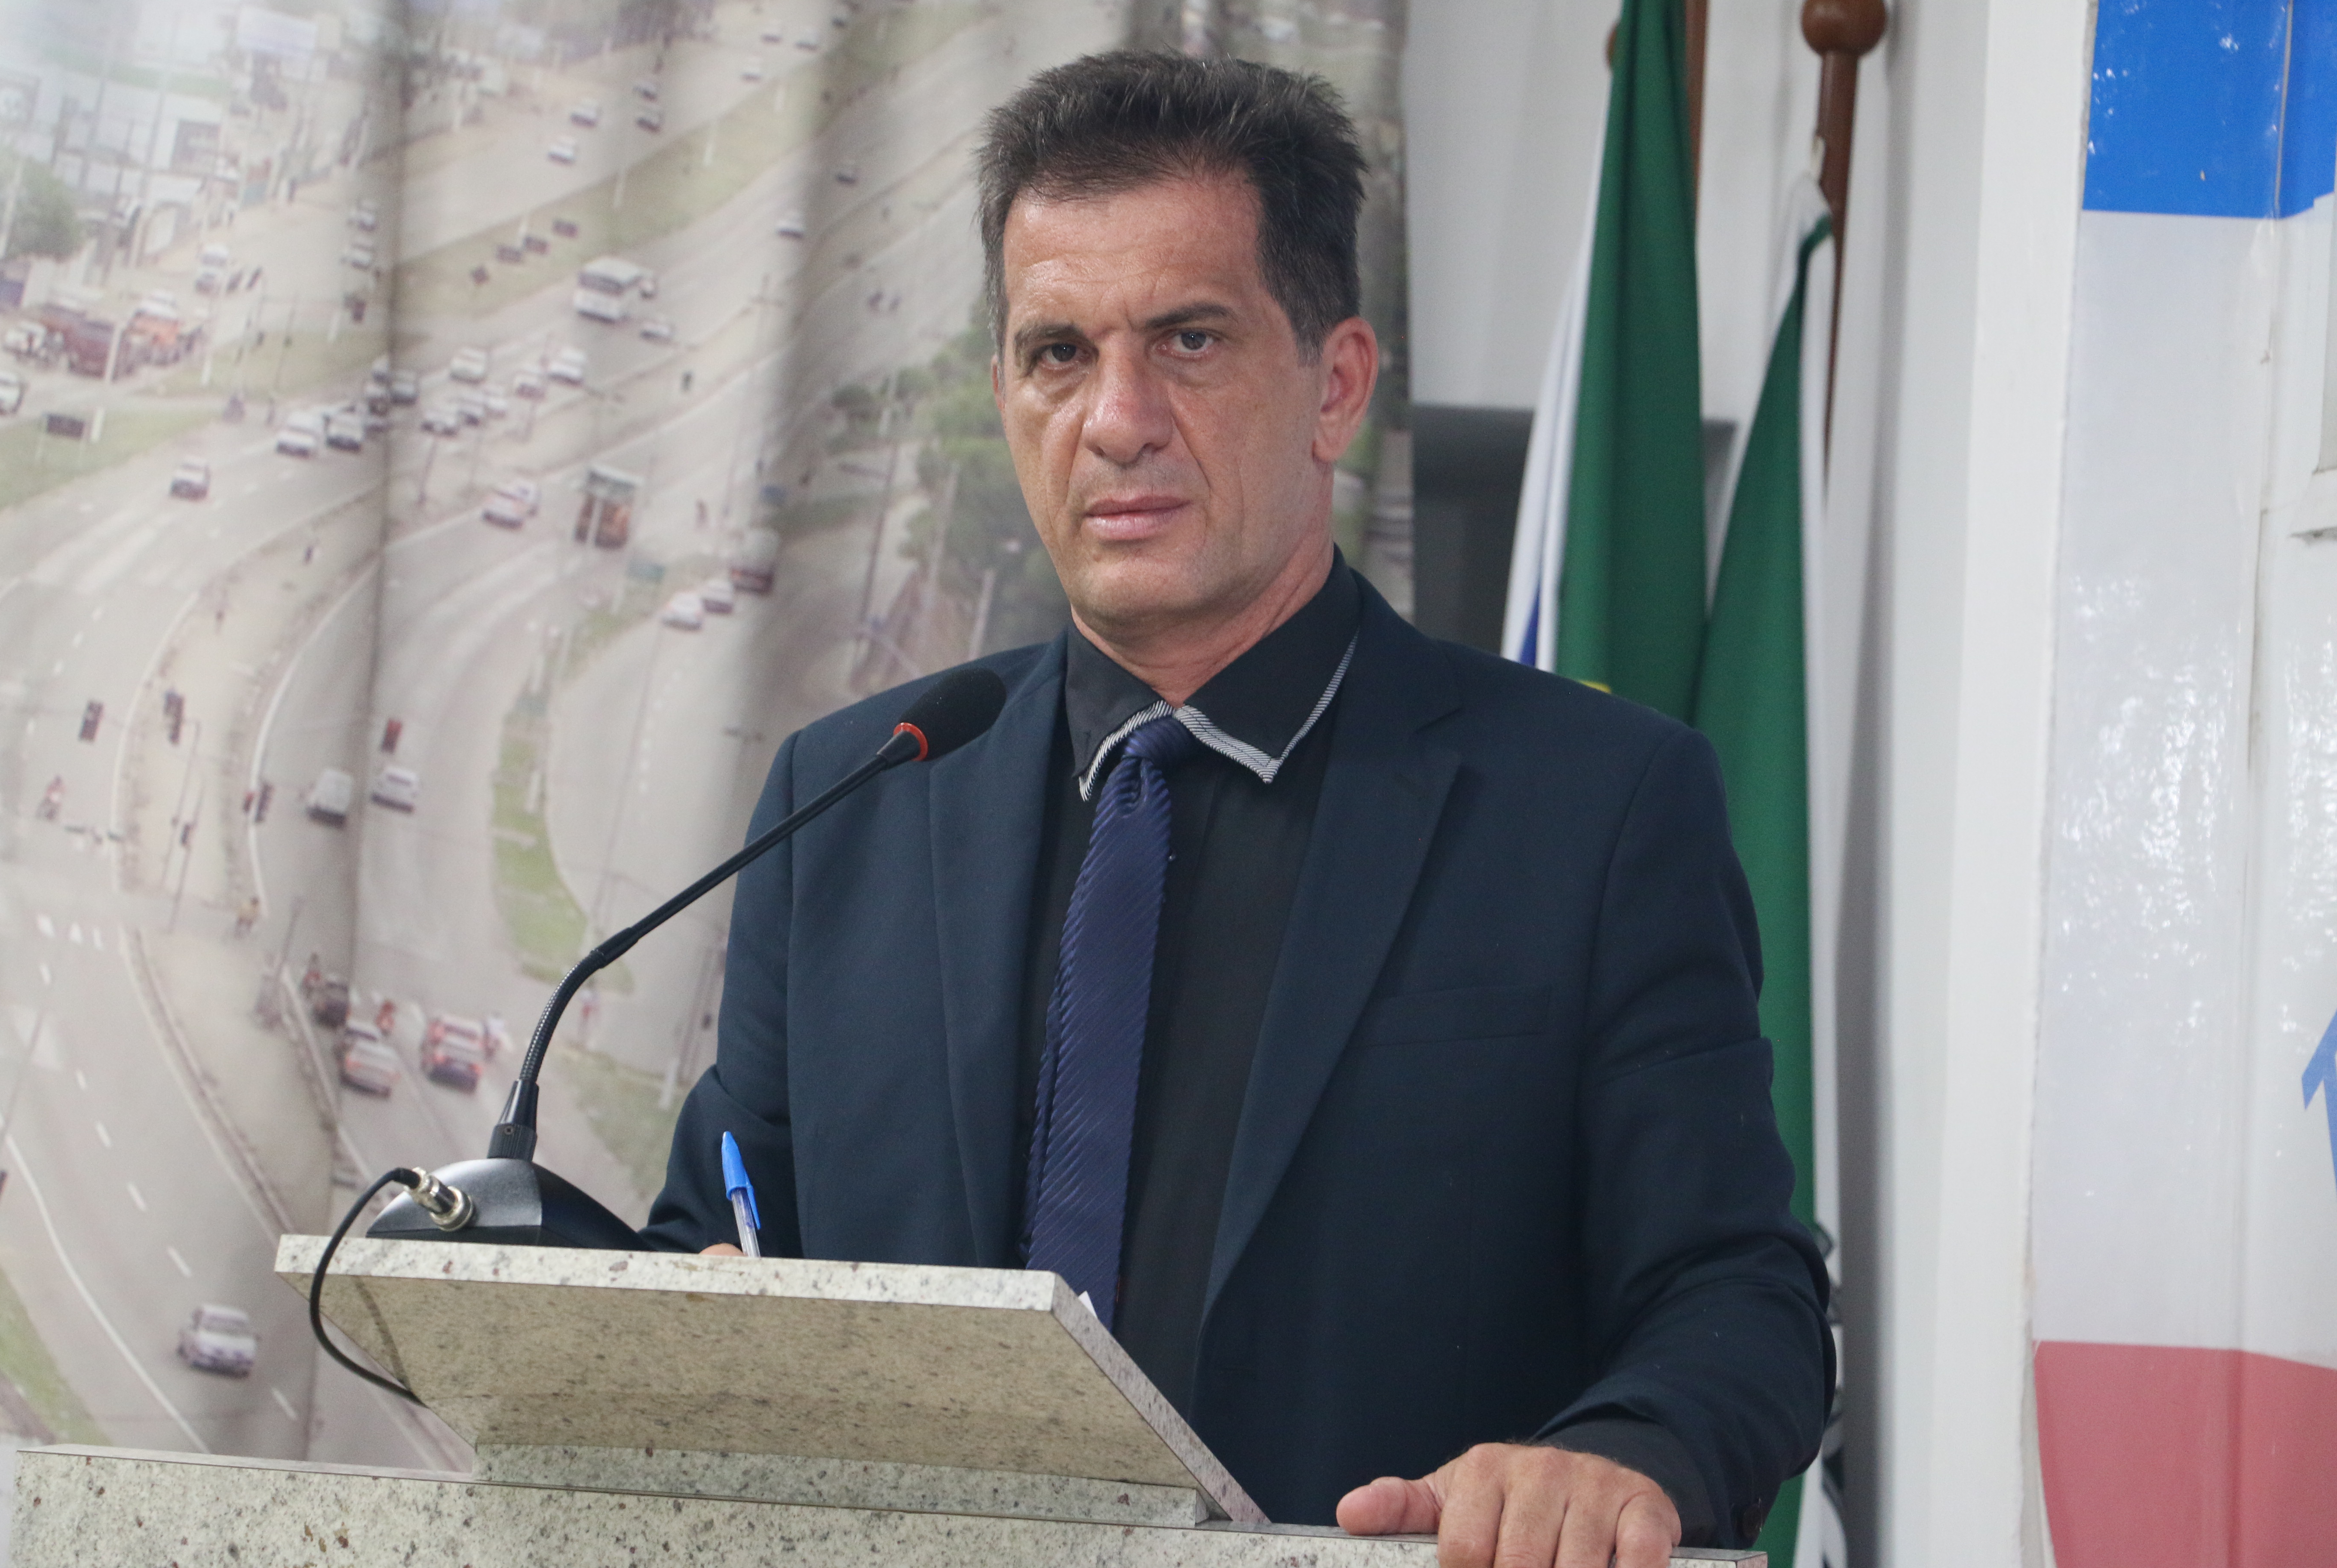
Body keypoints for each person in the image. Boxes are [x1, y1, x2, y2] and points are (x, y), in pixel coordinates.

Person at [644, 51, 1829, 1568]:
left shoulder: (1593, 808)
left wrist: (1622, 1451)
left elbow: (1740, 1296)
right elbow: (719, 1239)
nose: (1116, 419)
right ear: (1005, 393)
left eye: (1188, 341)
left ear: (1336, 386)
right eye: (1057, 353)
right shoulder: (857, 798)